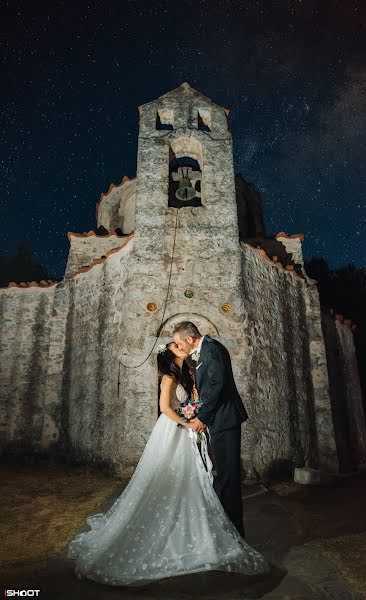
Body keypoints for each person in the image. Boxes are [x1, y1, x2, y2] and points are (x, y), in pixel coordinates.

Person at [67, 341, 270, 587]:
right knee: (169, 479)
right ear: (170, 354)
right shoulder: (169, 377)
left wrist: (194, 412)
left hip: (185, 429)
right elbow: (164, 408)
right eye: (175, 345)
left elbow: (196, 399)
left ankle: (196, 529)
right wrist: (186, 423)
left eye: (179, 342)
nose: (180, 346)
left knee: (191, 481)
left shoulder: (188, 372)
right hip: (172, 430)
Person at [173, 321, 248, 539]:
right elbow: (207, 390)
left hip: (226, 419)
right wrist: (197, 412)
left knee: (228, 478)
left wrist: (202, 418)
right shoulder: (204, 351)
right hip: (219, 419)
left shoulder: (212, 349)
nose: (180, 348)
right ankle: (230, 531)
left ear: (189, 338)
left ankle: (235, 535)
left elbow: (217, 385)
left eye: (180, 343)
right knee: (223, 476)